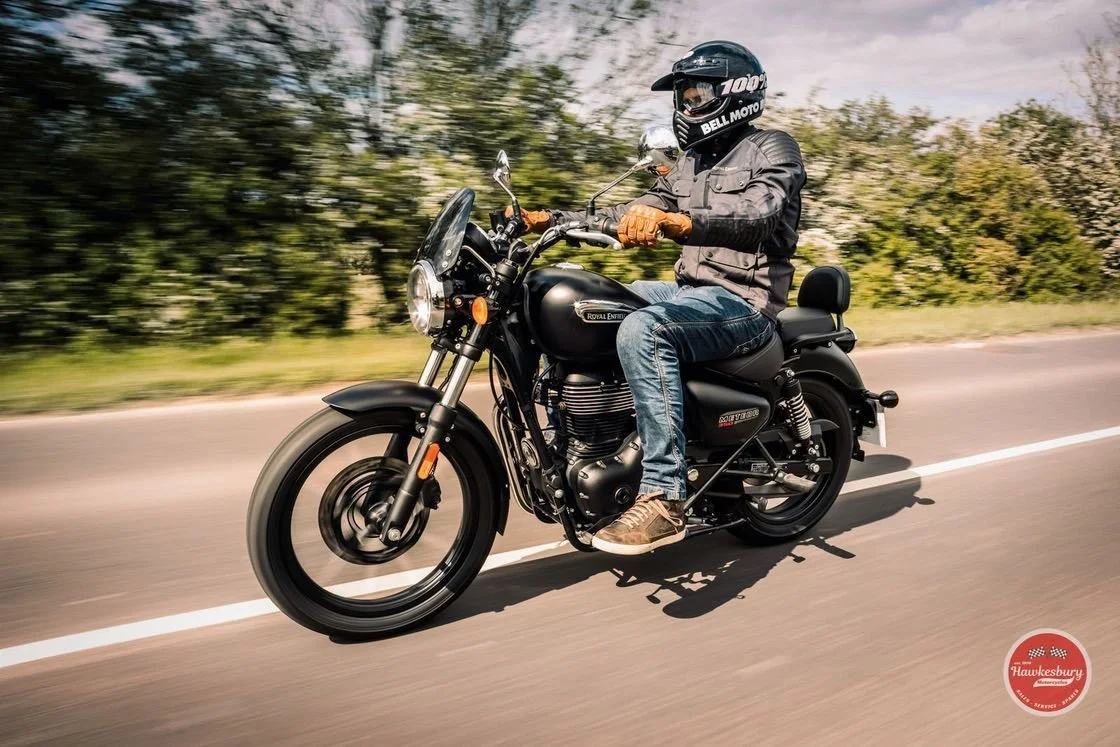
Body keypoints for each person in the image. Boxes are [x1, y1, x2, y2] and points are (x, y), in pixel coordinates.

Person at [510, 40, 806, 554]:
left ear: (735, 93)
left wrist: (677, 223)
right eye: (683, 96)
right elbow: (629, 210)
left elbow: (759, 214)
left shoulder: (772, 148)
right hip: (692, 291)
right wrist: (547, 219)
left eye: (697, 94)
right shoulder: (691, 162)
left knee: (642, 328)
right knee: (586, 305)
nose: (687, 105)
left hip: (745, 302)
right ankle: (581, 436)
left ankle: (664, 496)